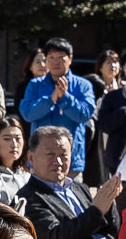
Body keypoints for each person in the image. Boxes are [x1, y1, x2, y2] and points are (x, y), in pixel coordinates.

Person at [19, 124, 117, 239]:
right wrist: (97, 210)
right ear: (31, 158)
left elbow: (112, 233)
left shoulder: (80, 188)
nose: (58, 161)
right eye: (50, 154)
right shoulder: (30, 197)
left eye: (64, 155)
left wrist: (110, 205)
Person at [20, 38, 100, 174]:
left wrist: (65, 98)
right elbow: (28, 113)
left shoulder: (83, 85)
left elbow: (85, 114)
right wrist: (50, 99)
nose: (55, 62)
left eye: (61, 57)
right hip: (41, 158)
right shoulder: (35, 84)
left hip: (70, 160)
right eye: (51, 57)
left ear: (70, 59)